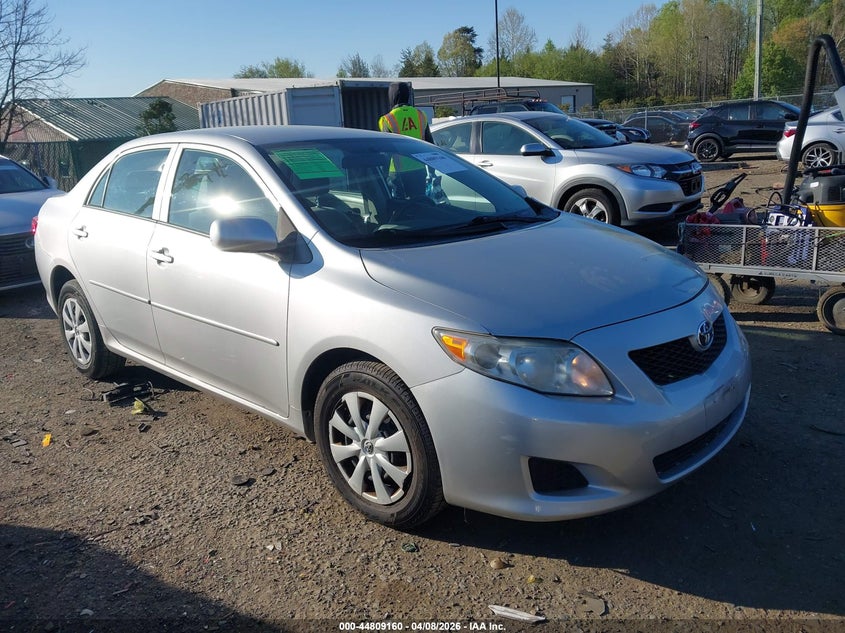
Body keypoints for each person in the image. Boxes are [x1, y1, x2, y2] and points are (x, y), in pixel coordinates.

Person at [378, 82, 432, 198]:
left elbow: (386, 152)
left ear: (391, 97)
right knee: (420, 205)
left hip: (398, 174)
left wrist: (383, 175)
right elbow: (430, 144)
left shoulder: (387, 119)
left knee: (403, 210)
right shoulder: (420, 115)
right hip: (419, 171)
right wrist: (432, 171)